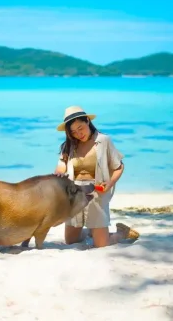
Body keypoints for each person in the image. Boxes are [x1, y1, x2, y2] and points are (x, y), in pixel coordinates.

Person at [54, 105, 140, 248]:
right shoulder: (68, 146)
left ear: (87, 121)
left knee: (101, 245)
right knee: (71, 241)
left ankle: (121, 233)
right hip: (75, 195)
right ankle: (92, 231)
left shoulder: (104, 141)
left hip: (96, 193)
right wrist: (59, 172)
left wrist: (110, 183)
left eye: (80, 128)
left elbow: (119, 167)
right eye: (73, 132)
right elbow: (62, 164)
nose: (78, 134)